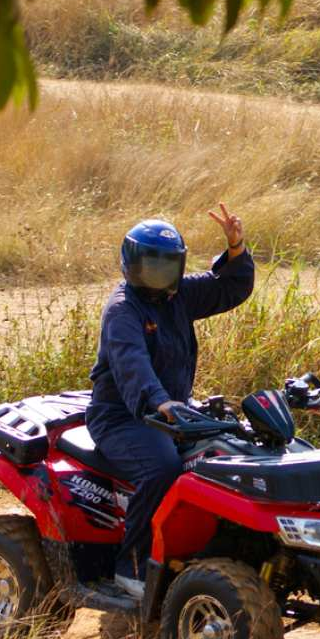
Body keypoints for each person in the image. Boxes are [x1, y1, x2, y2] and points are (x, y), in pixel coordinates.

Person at [86, 203, 254, 601]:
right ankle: (132, 568)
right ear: (132, 264)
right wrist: (159, 402)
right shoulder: (123, 309)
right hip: (123, 416)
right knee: (162, 469)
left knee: (230, 455)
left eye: (167, 265)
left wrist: (235, 248)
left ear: (177, 266)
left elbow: (229, 288)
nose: (158, 275)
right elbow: (132, 364)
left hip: (172, 413)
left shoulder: (179, 296)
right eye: (151, 265)